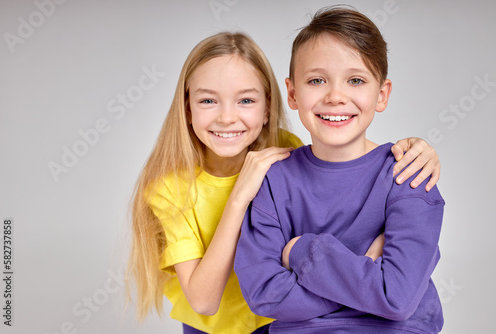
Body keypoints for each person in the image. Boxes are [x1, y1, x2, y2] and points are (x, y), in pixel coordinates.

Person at [126, 31, 441, 334]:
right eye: (208, 101)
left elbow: (344, 149)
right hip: (216, 328)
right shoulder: (171, 188)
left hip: (280, 323)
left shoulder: (282, 154)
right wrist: (238, 199)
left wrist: (418, 147)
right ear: (187, 109)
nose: (226, 117)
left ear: (267, 108)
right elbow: (206, 301)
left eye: (245, 101)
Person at [235, 6, 445, 334]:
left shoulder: (409, 173)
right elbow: (265, 295)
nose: (335, 96)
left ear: (381, 94)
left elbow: (397, 299)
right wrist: (368, 276)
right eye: (317, 80)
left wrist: (304, 251)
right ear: (292, 93)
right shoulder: (274, 180)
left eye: (356, 80)